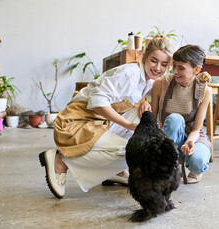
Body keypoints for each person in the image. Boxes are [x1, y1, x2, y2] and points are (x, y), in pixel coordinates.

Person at [39, 35, 174, 198]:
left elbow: (127, 97)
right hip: (77, 122)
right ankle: (61, 161)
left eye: (164, 64)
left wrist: (144, 103)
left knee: (143, 120)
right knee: (132, 151)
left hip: (100, 121)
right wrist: (126, 124)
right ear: (145, 56)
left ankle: (114, 171)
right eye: (154, 60)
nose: (158, 67)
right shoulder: (129, 73)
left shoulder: (147, 80)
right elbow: (97, 102)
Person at [150, 44, 212, 184]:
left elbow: (197, 129)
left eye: (181, 68)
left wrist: (190, 141)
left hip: (193, 134)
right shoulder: (160, 84)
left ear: (196, 70)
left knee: (198, 162)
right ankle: (168, 165)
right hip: (168, 135)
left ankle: (195, 169)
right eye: (174, 66)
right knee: (174, 119)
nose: (175, 71)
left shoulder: (204, 91)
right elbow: (152, 122)